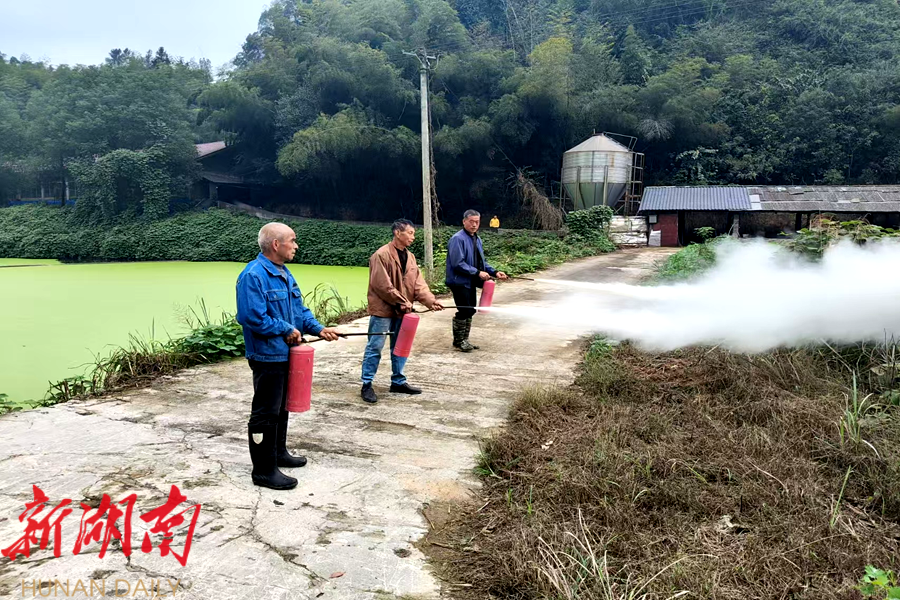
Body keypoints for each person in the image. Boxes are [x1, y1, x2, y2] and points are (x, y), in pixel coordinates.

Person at [236, 222, 340, 491]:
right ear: (276, 244)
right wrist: (285, 329)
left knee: (282, 408)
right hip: (267, 355)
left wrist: (318, 328)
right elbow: (251, 317)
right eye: (292, 240)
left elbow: (299, 311)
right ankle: (263, 470)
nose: (296, 245)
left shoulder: (283, 272)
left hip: (287, 355)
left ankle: (278, 454)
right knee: (265, 413)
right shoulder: (253, 275)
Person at [361, 219, 443, 404]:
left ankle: (398, 381)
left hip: (402, 311)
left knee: (400, 346)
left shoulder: (410, 257)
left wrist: (430, 301)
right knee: (375, 346)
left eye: (414, 234)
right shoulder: (381, 255)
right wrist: (402, 301)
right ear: (398, 233)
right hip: (383, 310)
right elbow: (382, 285)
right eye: (410, 233)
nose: (413, 237)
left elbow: (418, 284)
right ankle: (367, 384)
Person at [445, 210, 507, 352]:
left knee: (471, 310)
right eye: (471, 221)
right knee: (464, 310)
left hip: (470, 281)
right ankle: (459, 341)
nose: (474, 225)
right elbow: (457, 263)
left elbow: (481, 262)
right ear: (464, 221)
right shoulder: (457, 239)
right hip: (459, 281)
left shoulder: (476, 239)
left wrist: (495, 272)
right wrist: (478, 273)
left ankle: (465, 340)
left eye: (477, 222)